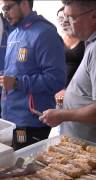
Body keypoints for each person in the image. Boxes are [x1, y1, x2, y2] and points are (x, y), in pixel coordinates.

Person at [0, 0, 66, 150]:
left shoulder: (45, 34)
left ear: (25, 4)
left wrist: (16, 82)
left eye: (8, 8)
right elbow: (19, 70)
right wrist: (2, 77)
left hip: (31, 121)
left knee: (26, 166)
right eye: (3, 9)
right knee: (14, 163)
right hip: (10, 116)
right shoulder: (14, 33)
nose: (5, 14)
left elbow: (56, 79)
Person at [40, 0, 96, 143]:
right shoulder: (90, 44)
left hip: (88, 147)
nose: (67, 22)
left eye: (72, 17)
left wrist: (63, 115)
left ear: (94, 16)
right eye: (65, 17)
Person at [54, 6, 85, 107]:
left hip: (78, 91)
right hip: (58, 91)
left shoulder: (85, 40)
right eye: (60, 18)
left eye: (67, 17)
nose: (64, 21)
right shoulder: (56, 40)